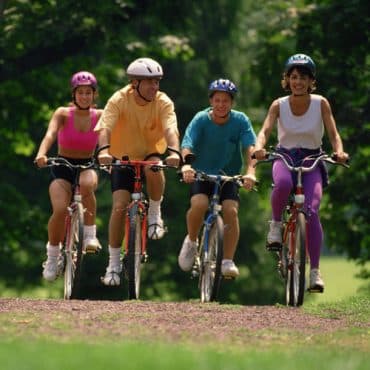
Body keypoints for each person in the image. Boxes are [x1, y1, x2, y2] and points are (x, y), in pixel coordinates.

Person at [253, 53, 349, 291]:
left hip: (313, 160)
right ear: (287, 80)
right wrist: (259, 147)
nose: (298, 82)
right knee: (283, 184)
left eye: (303, 78)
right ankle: (276, 226)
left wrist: (339, 151)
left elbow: (334, 134)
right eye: (294, 77)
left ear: (311, 81)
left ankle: (315, 272)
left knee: (312, 210)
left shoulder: (321, 103)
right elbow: (265, 130)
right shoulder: (279, 104)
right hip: (284, 156)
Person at [95, 57, 180, 286]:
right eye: (149, 82)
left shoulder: (163, 102)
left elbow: (171, 130)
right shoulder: (119, 99)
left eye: (157, 82)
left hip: (150, 153)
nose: (155, 87)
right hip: (122, 157)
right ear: (135, 83)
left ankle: (154, 211)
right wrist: (103, 150)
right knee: (119, 206)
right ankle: (113, 263)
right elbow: (105, 128)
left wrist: (175, 153)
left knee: (154, 167)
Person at [178, 78, 257, 278]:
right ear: (211, 101)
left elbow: (251, 148)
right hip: (201, 173)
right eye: (217, 100)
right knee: (199, 204)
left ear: (232, 102)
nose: (221, 104)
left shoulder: (240, 121)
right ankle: (192, 240)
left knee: (231, 211)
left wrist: (251, 172)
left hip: (228, 176)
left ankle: (228, 260)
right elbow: (187, 143)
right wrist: (187, 164)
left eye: (226, 101)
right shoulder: (201, 119)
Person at [35, 71, 103, 281]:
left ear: (94, 95)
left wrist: (108, 155)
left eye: (88, 93)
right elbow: (50, 134)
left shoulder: (100, 115)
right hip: (62, 165)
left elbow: (106, 139)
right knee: (59, 209)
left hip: (87, 163)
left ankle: (90, 236)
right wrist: (41, 154)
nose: (84, 96)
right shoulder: (63, 113)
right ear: (74, 95)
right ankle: (53, 256)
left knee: (87, 184)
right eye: (80, 93)